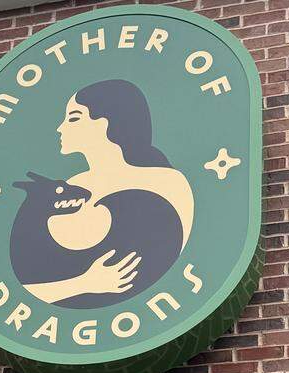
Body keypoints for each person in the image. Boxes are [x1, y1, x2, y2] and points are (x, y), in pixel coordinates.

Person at [13, 80, 192, 308]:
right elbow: (32, 287)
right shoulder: (72, 188)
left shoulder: (165, 182)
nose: (61, 127)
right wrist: (85, 283)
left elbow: (170, 263)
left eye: (74, 117)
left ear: (106, 123)